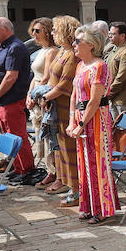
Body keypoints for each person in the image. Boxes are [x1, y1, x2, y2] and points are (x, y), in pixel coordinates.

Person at [67, 26, 119, 224]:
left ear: (90, 45)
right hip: (82, 116)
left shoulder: (100, 66)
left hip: (96, 118)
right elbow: (74, 95)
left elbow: (95, 100)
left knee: (98, 162)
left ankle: (102, 208)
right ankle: (88, 205)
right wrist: (72, 120)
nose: (74, 44)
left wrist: (80, 123)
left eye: (78, 41)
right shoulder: (80, 66)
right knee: (84, 162)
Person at [0, 17, 37, 183]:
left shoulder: (15, 47)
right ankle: (17, 167)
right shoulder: (1, 47)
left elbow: (10, 77)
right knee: (9, 136)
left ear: (6, 29)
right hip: (1, 100)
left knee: (17, 135)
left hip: (11, 99)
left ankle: (26, 169)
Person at [43, 15, 82, 204]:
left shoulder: (72, 55)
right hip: (56, 108)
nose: (52, 33)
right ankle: (68, 182)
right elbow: (51, 79)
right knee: (61, 150)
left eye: (55, 30)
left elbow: (65, 84)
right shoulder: (61, 52)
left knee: (70, 150)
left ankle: (77, 189)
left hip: (67, 109)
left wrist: (44, 97)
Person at [27, 17, 57, 184]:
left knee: (47, 135)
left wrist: (35, 97)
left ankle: (52, 171)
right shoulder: (41, 51)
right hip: (36, 94)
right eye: (33, 30)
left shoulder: (52, 51)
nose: (34, 34)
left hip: (43, 96)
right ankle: (48, 169)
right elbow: (35, 77)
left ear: (47, 31)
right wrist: (29, 95)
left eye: (37, 31)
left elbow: (46, 78)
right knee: (39, 134)